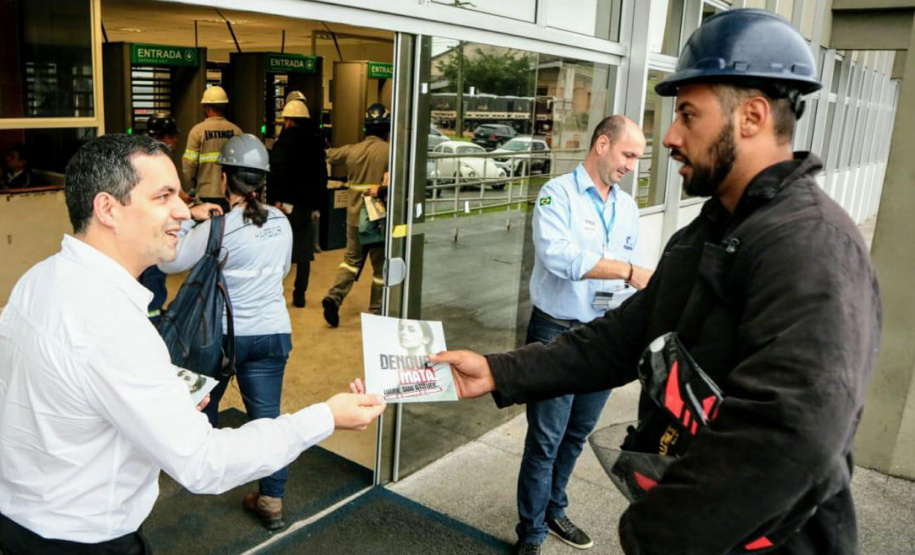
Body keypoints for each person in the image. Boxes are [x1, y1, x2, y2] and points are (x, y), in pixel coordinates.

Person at [429, 10, 881, 555]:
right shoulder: (705, 235)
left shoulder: (811, 244)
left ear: (753, 116)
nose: (670, 136)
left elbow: (793, 436)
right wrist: (499, 370)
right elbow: (620, 338)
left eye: (688, 115)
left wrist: (653, 535)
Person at [0, 134, 386, 555]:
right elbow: (205, 463)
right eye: (164, 196)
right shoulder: (113, 325)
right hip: (84, 541)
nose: (184, 210)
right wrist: (327, 416)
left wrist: (158, 399)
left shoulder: (39, 279)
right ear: (107, 208)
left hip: (20, 521)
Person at [513, 115, 650, 555]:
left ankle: (555, 508)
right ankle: (531, 533)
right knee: (546, 439)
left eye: (638, 159)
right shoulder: (558, 195)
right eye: (628, 155)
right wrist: (628, 272)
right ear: (602, 144)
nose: (632, 165)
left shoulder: (626, 207)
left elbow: (629, 266)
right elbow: (560, 258)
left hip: (605, 334)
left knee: (576, 434)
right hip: (556, 331)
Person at [161, 133, 303, 530]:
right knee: (268, 421)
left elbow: (171, 263)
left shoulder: (218, 227)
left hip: (224, 339)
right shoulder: (281, 221)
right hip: (274, 333)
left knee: (204, 402)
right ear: (261, 181)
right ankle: (271, 500)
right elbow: (284, 270)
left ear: (225, 180)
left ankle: (199, 467)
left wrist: (190, 215)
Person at [321, 102, 391, 327]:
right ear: (386, 128)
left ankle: (334, 297)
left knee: (351, 261)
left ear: (366, 128)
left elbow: (330, 155)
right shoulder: (391, 152)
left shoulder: (352, 150)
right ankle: (376, 311)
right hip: (379, 219)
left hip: (354, 218)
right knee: (380, 268)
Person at [267, 98, 328, 309]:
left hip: (284, 206)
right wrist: (317, 205)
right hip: (307, 206)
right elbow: (322, 176)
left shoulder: (283, 144)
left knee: (277, 251)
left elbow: (275, 173)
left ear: (289, 121)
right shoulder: (317, 143)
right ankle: (299, 294)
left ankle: (273, 294)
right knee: (303, 253)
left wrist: (274, 200)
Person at [140, 113, 187, 323]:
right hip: (151, 225)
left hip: (146, 224)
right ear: (160, 137)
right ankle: (153, 316)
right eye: (171, 136)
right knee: (153, 271)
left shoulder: (142, 155)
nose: (175, 140)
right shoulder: (155, 161)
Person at [182, 85, 242, 211]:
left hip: (204, 193)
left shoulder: (197, 131)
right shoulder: (237, 131)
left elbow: (189, 164)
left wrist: (191, 187)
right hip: (230, 194)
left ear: (207, 107)